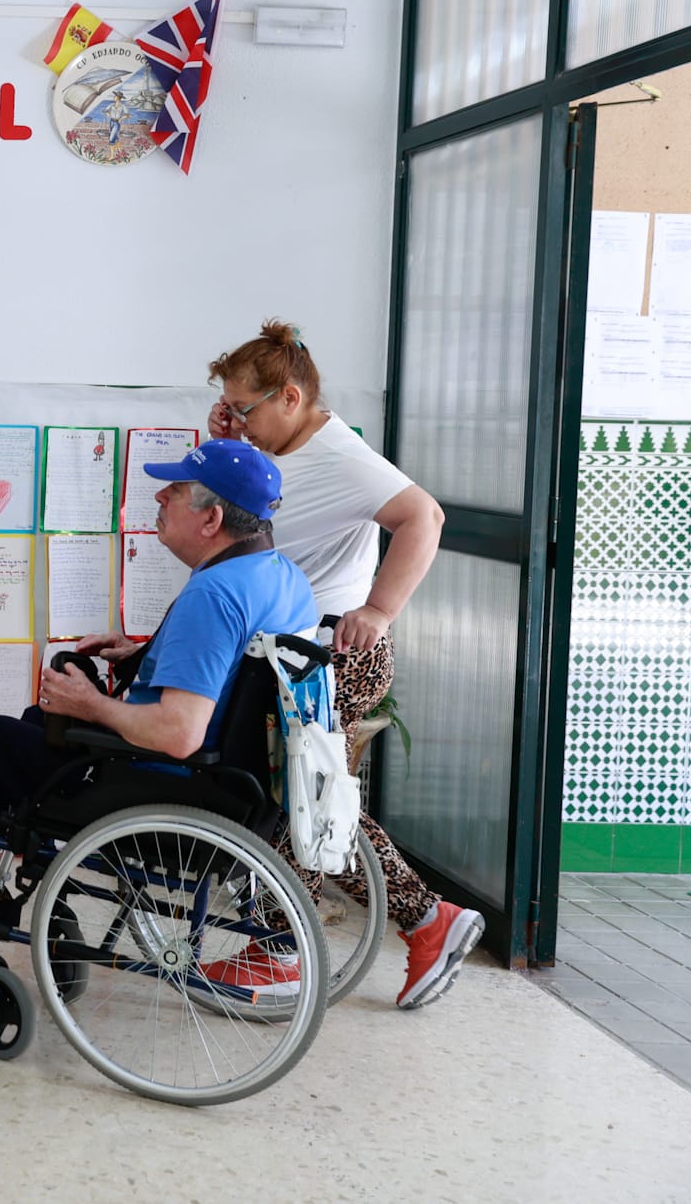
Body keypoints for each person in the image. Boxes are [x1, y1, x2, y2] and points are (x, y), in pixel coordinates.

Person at [0, 440, 318, 989]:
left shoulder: (214, 594)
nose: (159, 497)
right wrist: (142, 655)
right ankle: (1, 880)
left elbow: (180, 732)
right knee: (32, 722)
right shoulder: (280, 576)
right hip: (244, 792)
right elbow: (223, 672)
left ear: (212, 518)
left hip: (162, 786)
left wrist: (90, 703)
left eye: (177, 491)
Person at [205, 318, 483, 1010]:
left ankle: (281, 949)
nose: (240, 417)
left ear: (290, 396)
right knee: (309, 798)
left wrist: (380, 610)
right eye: (233, 406)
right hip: (290, 649)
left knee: (295, 799)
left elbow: (425, 516)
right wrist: (226, 439)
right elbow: (246, 524)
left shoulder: (342, 456)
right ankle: (428, 920)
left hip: (332, 652)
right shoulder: (285, 446)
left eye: (247, 407)